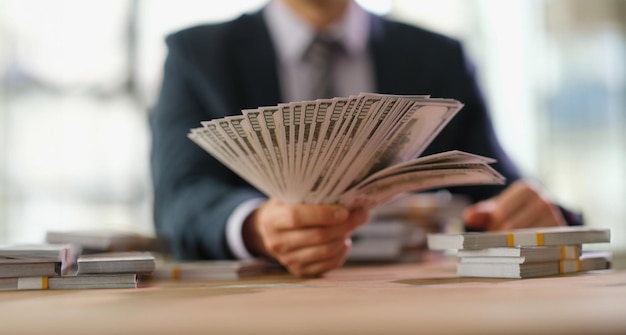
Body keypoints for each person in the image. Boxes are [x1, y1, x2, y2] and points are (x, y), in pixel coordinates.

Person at [149, 0, 582, 277]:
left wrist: (542, 214)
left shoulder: (438, 57)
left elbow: (497, 185)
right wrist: (256, 226)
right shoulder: (198, 56)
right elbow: (181, 197)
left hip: (413, 304)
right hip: (261, 308)